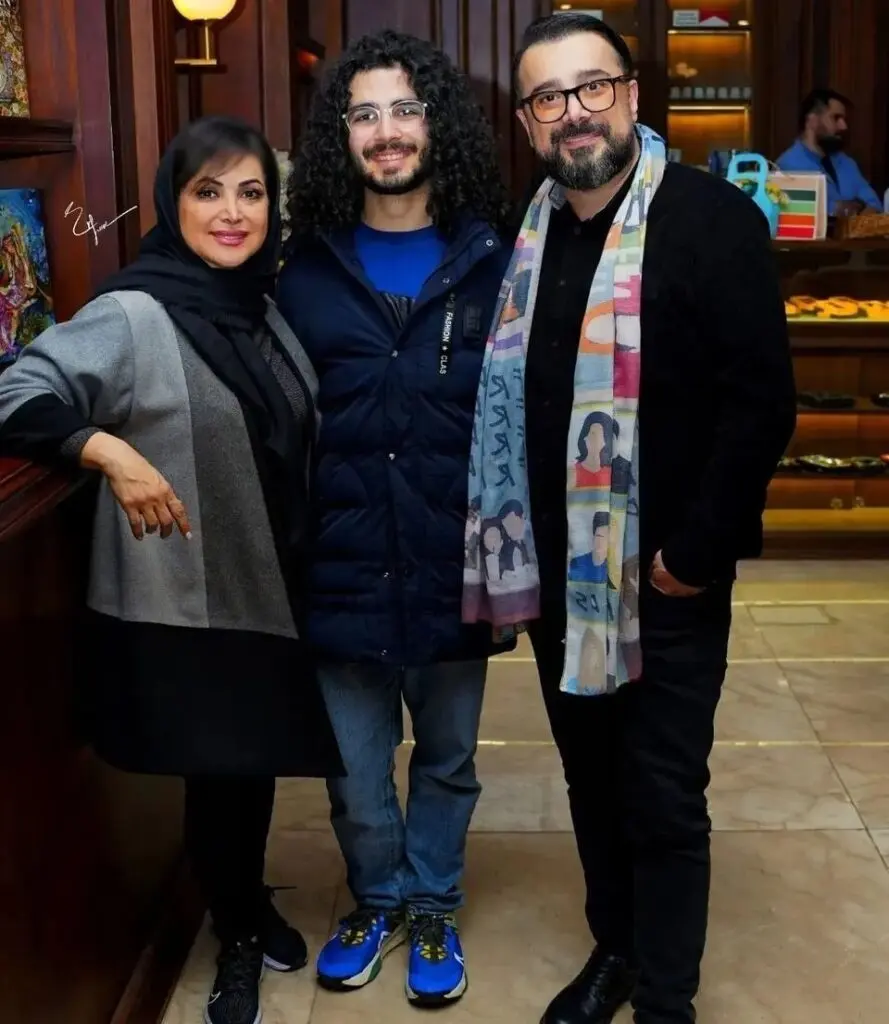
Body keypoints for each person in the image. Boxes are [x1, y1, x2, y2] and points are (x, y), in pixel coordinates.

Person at [463, 13, 797, 1024]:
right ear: (528, 121)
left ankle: (665, 999)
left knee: (660, 793)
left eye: (592, 86)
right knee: (591, 780)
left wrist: (692, 554)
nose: (574, 112)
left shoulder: (709, 220)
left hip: (665, 581)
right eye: (548, 96)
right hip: (559, 577)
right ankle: (614, 947)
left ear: (631, 94)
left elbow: (760, 405)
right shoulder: (524, 237)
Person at [0, 115, 343, 1024]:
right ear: (172, 203)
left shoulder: (260, 306)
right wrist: (107, 450)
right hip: (195, 599)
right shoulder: (135, 314)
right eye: (207, 191)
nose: (232, 212)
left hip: (265, 584)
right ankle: (234, 935)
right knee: (219, 772)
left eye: (252, 193)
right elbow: (15, 390)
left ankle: (248, 903)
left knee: (250, 768)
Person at [277, 28, 513, 1009]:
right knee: (354, 769)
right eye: (363, 112)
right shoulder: (302, 268)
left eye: (404, 109)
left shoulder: (494, 258)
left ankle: (432, 905)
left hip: (456, 563)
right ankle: (376, 900)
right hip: (338, 563)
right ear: (340, 135)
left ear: (436, 123)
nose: (385, 131)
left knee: (447, 761)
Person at [776, 87, 882, 216]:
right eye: (836, 118)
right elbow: (799, 213)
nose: (844, 126)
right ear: (812, 121)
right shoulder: (787, 167)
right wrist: (841, 208)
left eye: (844, 119)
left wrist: (845, 209)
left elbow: (875, 205)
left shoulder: (847, 163)